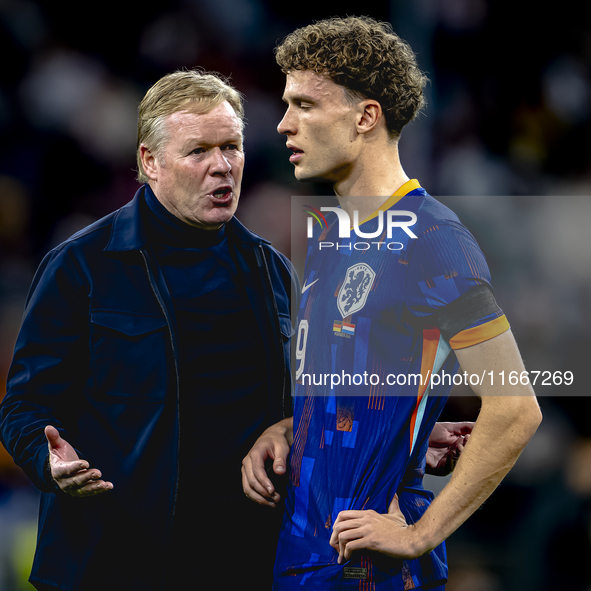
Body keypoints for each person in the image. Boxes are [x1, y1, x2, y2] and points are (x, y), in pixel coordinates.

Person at [241, 16, 542, 590]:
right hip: (301, 556)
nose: (282, 124)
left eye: (304, 105)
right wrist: (288, 430)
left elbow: (516, 408)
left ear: (365, 117)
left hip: (371, 569)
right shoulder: (331, 235)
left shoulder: (432, 239)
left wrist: (418, 534)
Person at [0, 69, 297, 591]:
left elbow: (308, 404)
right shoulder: (81, 266)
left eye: (232, 146)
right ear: (149, 162)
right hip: (108, 566)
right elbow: (25, 404)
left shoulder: (271, 271)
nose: (221, 166)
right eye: (198, 151)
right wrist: (49, 462)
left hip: (241, 565)